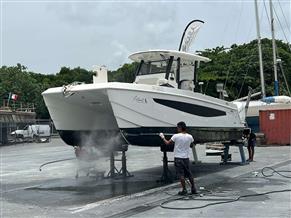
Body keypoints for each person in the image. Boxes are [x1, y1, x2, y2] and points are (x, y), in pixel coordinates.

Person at [159, 121, 197, 195]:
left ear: (180, 127)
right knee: (189, 174)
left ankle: (184, 190)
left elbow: (167, 143)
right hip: (186, 158)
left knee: (181, 175)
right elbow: (192, 145)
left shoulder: (176, 136)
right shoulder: (190, 136)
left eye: (177, 127)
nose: (177, 129)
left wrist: (162, 137)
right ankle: (193, 189)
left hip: (178, 158)